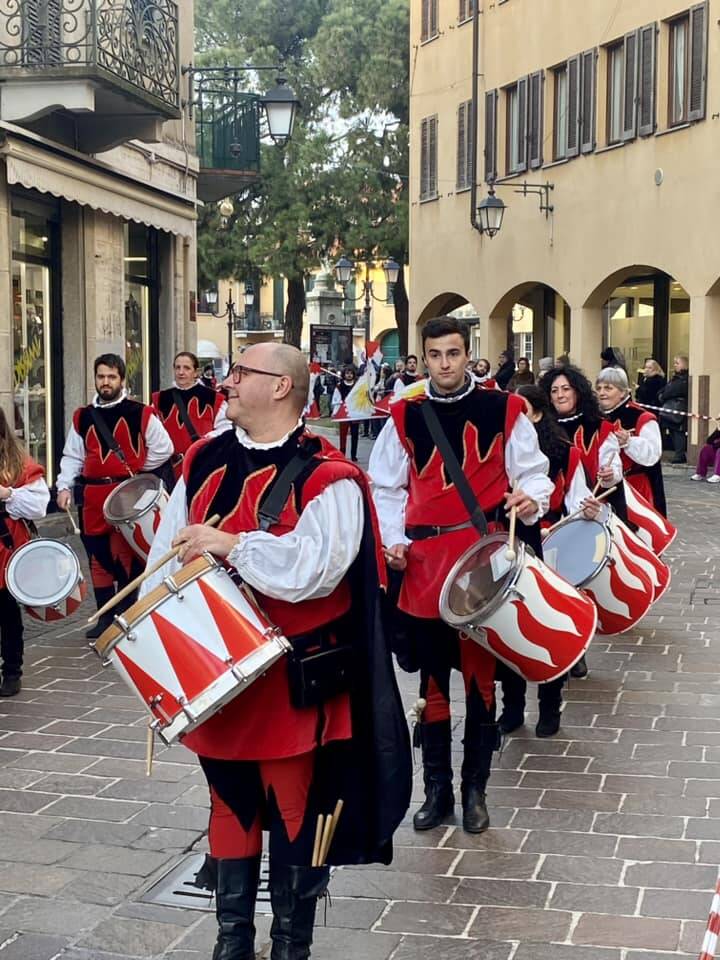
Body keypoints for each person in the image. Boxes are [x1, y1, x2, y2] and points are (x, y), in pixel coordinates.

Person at [141, 342, 411, 960]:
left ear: (282, 387)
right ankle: (231, 943)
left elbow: (313, 571)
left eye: (240, 373)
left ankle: (292, 947)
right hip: (217, 679)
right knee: (229, 807)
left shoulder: (330, 476)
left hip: (294, 685)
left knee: (296, 816)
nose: (226, 383)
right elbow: (165, 556)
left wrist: (230, 544)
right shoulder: (202, 459)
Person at [369, 316, 552, 834]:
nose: (444, 364)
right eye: (435, 355)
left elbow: (535, 474)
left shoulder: (506, 408)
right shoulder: (403, 414)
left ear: (467, 353)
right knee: (431, 688)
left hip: (480, 562)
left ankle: (476, 791)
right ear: (423, 357)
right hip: (425, 564)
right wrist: (392, 540)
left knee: (480, 686)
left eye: (453, 353)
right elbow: (385, 487)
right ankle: (437, 792)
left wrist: (529, 497)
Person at [498, 385, 601, 737]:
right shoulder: (499, 452)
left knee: (546, 628)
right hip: (509, 545)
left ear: (538, 415)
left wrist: (586, 511)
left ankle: (549, 705)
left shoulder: (563, 454)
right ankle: (510, 706)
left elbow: (578, 499)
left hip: (549, 550)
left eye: (522, 412)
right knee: (508, 628)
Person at [56, 354, 173, 639]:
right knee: (97, 557)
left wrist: (136, 470)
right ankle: (105, 617)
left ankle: (129, 613)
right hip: (94, 497)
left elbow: (164, 448)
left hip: (127, 496)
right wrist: (63, 486)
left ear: (122, 379)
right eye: (101, 376)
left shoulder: (140, 412)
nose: (105, 382)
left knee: (128, 556)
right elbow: (73, 455)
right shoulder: (82, 416)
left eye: (111, 377)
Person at [540, 364, 623, 679]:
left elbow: (614, 469)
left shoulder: (599, 428)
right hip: (548, 517)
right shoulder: (540, 429)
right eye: (554, 391)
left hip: (585, 514)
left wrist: (608, 474)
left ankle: (577, 648)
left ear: (577, 391)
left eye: (566, 389)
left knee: (574, 588)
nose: (561, 395)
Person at [0, 407, 50, 696]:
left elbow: (39, 505)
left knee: (6, 613)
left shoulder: (18, 461)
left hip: (5, 547)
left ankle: (12, 671)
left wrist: (8, 494)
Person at [596, 366, 667, 516]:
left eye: (608, 388)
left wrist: (629, 442)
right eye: (599, 388)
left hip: (637, 489)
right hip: (605, 490)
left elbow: (653, 454)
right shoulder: (596, 418)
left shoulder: (642, 417)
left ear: (623, 392)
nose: (602, 393)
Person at [152, 352, 230, 484]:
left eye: (186, 368)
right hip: (170, 468)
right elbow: (152, 432)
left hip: (201, 464)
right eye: (177, 368)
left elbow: (225, 429)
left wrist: (204, 442)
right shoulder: (160, 399)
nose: (181, 372)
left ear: (196, 372)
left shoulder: (213, 398)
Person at [657, 355, 689, 463]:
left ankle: (679, 455)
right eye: (674, 363)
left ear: (684, 365)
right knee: (672, 431)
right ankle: (678, 454)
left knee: (678, 431)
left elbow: (671, 390)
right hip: (672, 409)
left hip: (678, 409)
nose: (675, 365)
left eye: (677, 363)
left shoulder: (683, 379)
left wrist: (663, 395)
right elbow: (666, 389)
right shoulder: (676, 377)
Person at [331, 366, 360, 462]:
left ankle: (353, 455)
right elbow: (336, 400)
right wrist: (336, 412)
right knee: (343, 434)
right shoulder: (339, 386)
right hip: (344, 413)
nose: (349, 375)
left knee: (355, 434)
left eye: (351, 373)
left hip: (355, 413)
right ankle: (342, 453)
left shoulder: (357, 385)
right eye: (347, 373)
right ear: (344, 374)